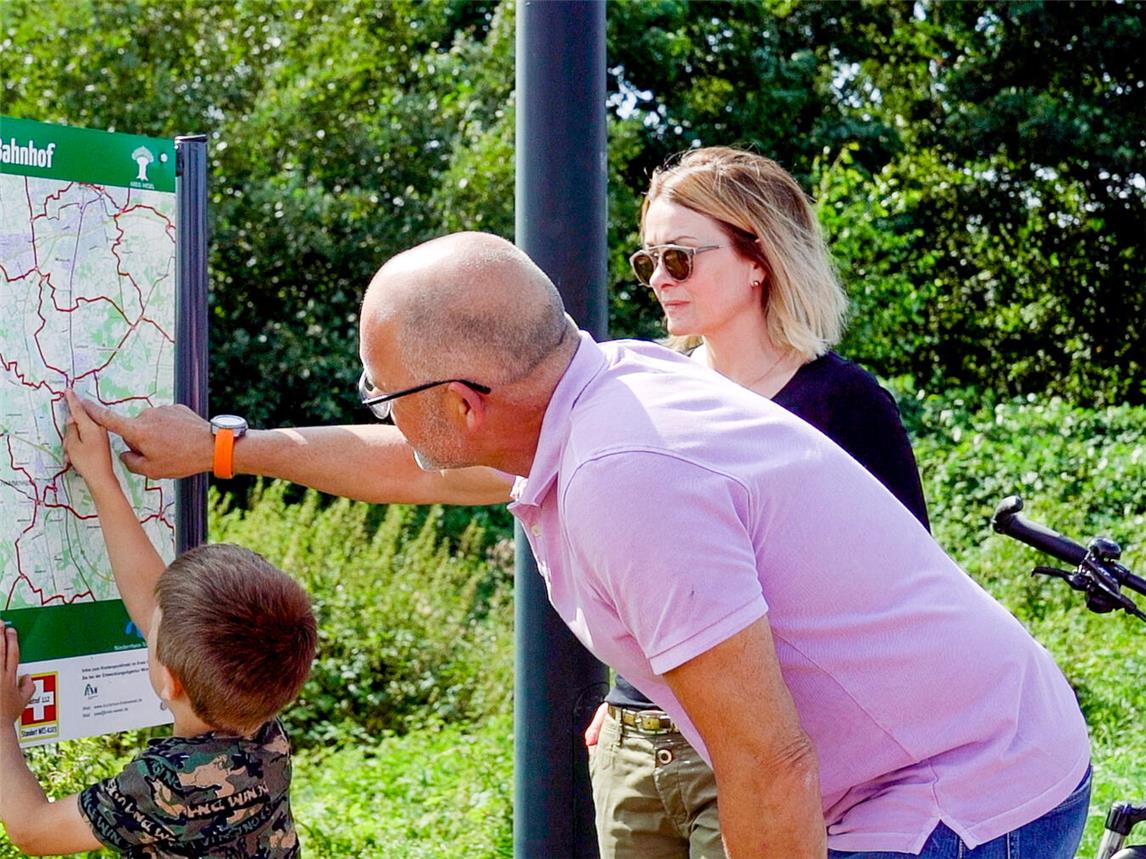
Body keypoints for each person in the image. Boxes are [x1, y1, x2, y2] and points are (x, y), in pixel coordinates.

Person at [84, 231, 1091, 858]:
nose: (380, 412)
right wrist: (222, 446)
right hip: (968, 741)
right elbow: (409, 460)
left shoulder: (628, 479)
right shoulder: (594, 390)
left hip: (966, 785)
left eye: (383, 390)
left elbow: (769, 762)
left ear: (465, 403)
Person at [583, 146, 931, 859]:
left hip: (755, 750)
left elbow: (903, 599)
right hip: (634, 747)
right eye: (647, 259)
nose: (657, 279)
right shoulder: (649, 395)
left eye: (678, 257)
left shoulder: (844, 404)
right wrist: (633, 691)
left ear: (758, 257)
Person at [0, 391, 317, 857]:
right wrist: (101, 481)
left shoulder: (167, 784)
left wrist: (2, 723)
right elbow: (157, 607)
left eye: (153, 631)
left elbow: (34, 831)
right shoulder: (263, 728)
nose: (149, 621)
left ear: (170, 680)